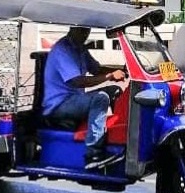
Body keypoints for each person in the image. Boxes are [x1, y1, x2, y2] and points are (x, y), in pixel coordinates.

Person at [42, 26, 126, 169]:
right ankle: (93, 154)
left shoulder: (79, 48)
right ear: (73, 28)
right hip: (59, 105)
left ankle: (114, 140)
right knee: (100, 98)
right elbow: (77, 81)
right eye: (82, 30)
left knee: (114, 90)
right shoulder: (63, 50)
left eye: (87, 30)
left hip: (74, 99)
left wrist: (120, 70)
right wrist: (110, 76)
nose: (85, 34)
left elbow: (96, 69)